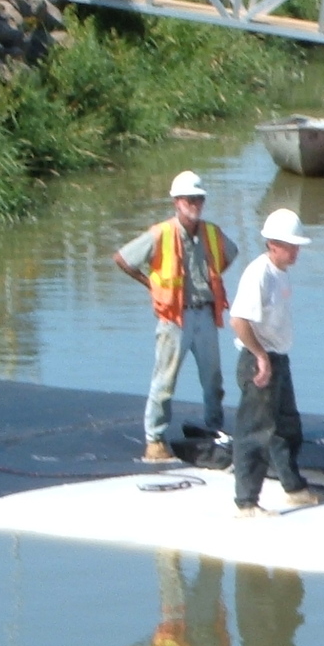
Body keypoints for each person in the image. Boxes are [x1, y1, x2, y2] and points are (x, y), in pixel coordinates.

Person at [114, 170, 236, 463]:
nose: (194, 203)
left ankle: (213, 428)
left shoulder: (211, 233)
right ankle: (154, 439)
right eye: (189, 199)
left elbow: (229, 255)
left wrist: (211, 284)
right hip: (174, 318)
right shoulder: (161, 234)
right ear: (176, 202)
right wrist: (151, 285)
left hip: (205, 314)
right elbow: (123, 258)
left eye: (198, 199)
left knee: (213, 380)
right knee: (164, 381)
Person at [228, 209, 319, 517]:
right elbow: (239, 321)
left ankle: (293, 486)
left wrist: (273, 357)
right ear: (273, 243)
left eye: (297, 245)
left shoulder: (280, 273)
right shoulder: (259, 274)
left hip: (277, 358)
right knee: (255, 431)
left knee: (286, 426)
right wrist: (260, 357)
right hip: (259, 361)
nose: (296, 251)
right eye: (291, 245)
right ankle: (247, 502)